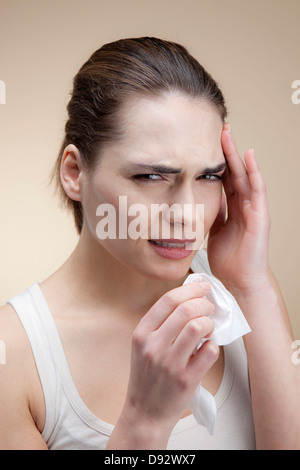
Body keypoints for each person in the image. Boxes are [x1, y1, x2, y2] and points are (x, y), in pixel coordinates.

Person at [0, 37, 298, 450]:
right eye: (151, 177)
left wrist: (252, 286)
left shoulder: (242, 296)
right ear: (74, 172)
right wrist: (143, 424)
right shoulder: (13, 356)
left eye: (208, 176)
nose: (188, 214)